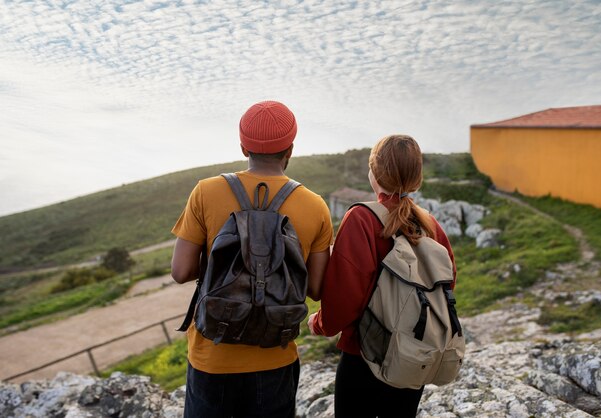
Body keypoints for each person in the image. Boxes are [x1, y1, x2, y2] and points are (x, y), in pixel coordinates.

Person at [171, 100, 333, 418]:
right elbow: (316, 288)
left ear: (244, 146)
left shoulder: (206, 192)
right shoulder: (315, 206)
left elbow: (181, 271)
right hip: (276, 357)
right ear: (291, 148)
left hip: (212, 356)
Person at [308, 134, 457, 418]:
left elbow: (345, 299)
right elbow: (447, 285)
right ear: (417, 176)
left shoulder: (361, 219)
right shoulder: (431, 225)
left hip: (363, 357)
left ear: (374, 172)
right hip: (414, 357)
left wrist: (319, 324)